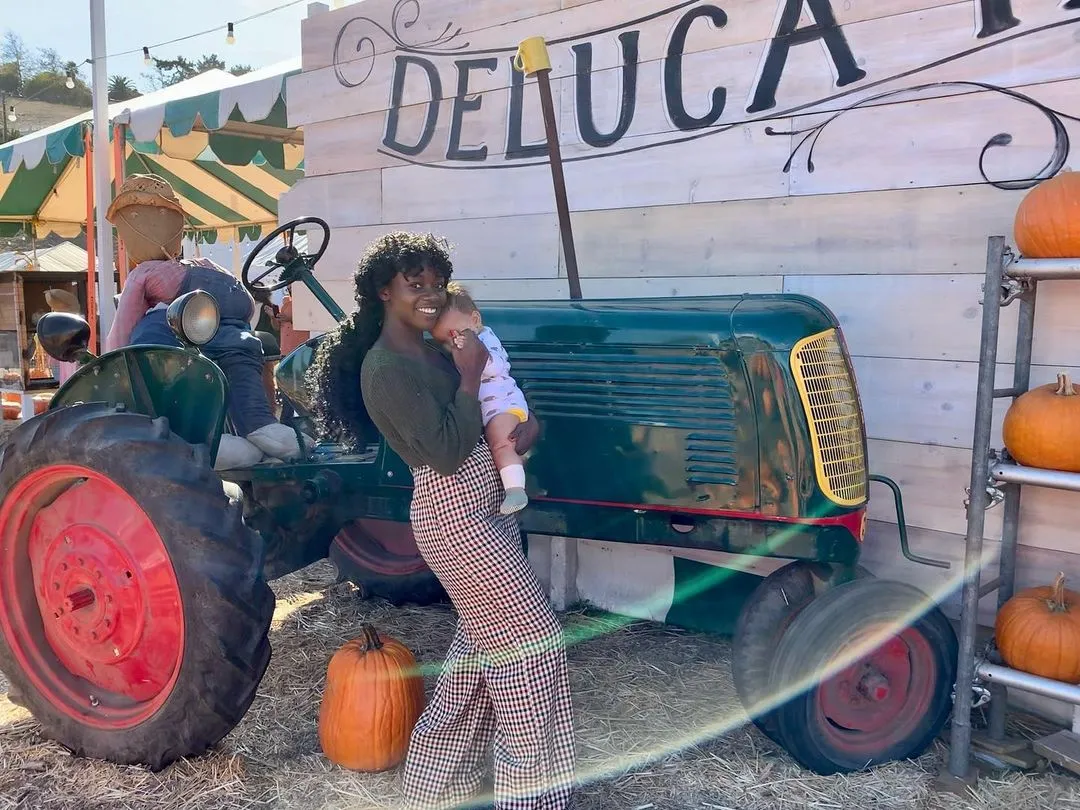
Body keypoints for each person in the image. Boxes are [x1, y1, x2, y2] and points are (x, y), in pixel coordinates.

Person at [306, 232, 575, 810]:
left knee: (478, 656)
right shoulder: (384, 370)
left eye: (436, 282)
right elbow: (449, 452)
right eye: (415, 283)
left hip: (488, 505)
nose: (430, 294)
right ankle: (529, 797)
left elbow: (488, 413)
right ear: (384, 290)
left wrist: (524, 428)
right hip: (454, 515)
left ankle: (435, 786)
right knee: (533, 646)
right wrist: (470, 375)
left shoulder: (435, 348)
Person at [104, 173, 310, 467]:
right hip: (226, 337)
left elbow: (122, 332)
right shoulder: (206, 265)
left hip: (192, 341)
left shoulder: (143, 275)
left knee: (150, 346)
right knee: (239, 359)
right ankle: (260, 427)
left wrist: (112, 363)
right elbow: (245, 304)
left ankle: (209, 437)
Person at [430, 282, 529, 515]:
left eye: (456, 334)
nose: (453, 343)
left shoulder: (487, 339)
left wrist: (472, 353)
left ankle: (516, 490)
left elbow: (496, 366)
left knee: (501, 443)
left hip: (504, 406)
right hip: (491, 410)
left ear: (474, 320)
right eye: (445, 341)